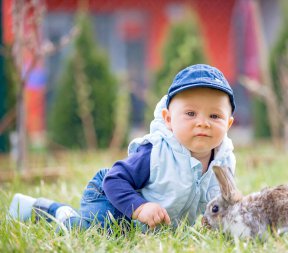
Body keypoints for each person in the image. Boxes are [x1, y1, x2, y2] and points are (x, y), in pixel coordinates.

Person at [9, 64, 236, 231]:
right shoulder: (157, 152)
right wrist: (140, 208)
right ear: (168, 119)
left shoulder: (224, 163)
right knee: (94, 230)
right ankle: (50, 211)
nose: (202, 122)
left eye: (214, 115)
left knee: (128, 233)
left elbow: (224, 201)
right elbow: (115, 180)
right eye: (190, 113)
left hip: (149, 223)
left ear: (228, 123)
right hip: (112, 197)